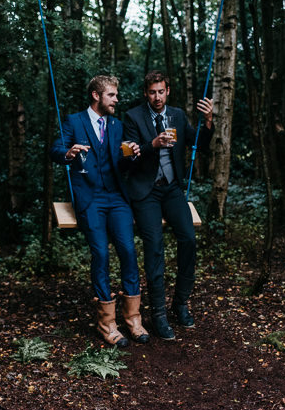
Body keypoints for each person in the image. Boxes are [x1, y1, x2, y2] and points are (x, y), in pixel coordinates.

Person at [50, 75, 149, 347]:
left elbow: (123, 163)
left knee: (128, 251)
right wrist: (68, 153)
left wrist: (133, 155)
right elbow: (55, 149)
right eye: (112, 95)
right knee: (101, 254)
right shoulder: (74, 121)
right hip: (90, 199)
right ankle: (107, 324)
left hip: (117, 198)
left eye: (116, 95)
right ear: (96, 95)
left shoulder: (117, 125)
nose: (117, 99)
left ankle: (133, 320)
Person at [123, 70, 214, 340]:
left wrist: (208, 120)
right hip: (146, 191)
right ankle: (159, 315)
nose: (157, 97)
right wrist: (151, 144)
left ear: (168, 91)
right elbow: (127, 156)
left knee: (188, 239)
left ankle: (180, 304)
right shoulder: (133, 117)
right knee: (155, 248)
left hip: (172, 190)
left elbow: (199, 143)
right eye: (152, 92)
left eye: (161, 91)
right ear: (145, 93)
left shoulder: (176, 115)